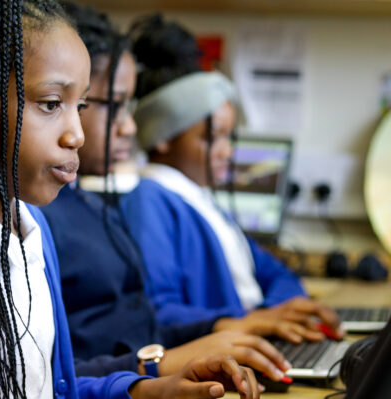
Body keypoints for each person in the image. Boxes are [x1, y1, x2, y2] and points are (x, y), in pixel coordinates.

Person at [0, 0, 259, 399]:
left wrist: (145, 390)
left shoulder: (32, 227)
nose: (76, 134)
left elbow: (51, 390)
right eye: (50, 104)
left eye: (80, 106)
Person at [40, 1, 291, 383]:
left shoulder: (90, 204)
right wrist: (156, 366)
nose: (128, 128)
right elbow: (51, 376)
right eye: (55, 104)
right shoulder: (38, 217)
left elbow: (141, 323)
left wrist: (219, 329)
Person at [118, 14, 341, 341]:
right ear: (163, 135)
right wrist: (254, 319)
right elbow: (159, 312)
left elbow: (278, 273)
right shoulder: (150, 199)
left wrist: (273, 314)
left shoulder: (201, 201)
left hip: (249, 339)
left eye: (228, 137)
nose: (226, 151)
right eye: (212, 138)